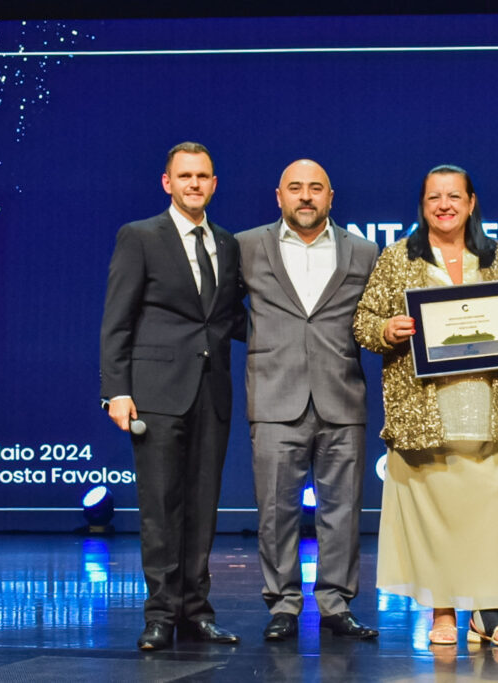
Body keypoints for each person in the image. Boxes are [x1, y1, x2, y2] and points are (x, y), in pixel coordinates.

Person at [354, 165, 498, 647]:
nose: (444, 205)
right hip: (423, 412)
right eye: (434, 197)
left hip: (485, 407)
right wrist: (387, 330)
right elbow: (363, 323)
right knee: (434, 520)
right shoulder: (397, 259)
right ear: (423, 205)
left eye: (455, 196)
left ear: (472, 202)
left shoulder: (496, 258)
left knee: (482, 520)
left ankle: (487, 613)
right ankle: (443, 613)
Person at [100, 142, 245, 650]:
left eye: (203, 176)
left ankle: (196, 611)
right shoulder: (139, 236)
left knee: (203, 505)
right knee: (161, 507)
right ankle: (160, 613)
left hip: (212, 391)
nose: (194, 184)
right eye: (185, 176)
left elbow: (228, 317)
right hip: (156, 393)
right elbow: (117, 321)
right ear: (168, 183)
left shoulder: (226, 243)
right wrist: (116, 391)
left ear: (214, 184)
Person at [238, 159, 379, 642]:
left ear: (330, 197)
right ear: (279, 196)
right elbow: (217, 312)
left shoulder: (364, 251)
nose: (305, 196)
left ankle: (337, 604)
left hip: (342, 395)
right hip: (276, 396)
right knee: (276, 511)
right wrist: (269, 345)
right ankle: (283, 605)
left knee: (342, 510)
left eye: (315, 188)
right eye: (295, 188)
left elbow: (375, 318)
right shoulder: (246, 246)